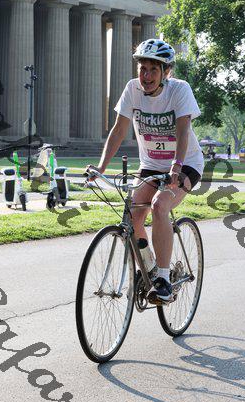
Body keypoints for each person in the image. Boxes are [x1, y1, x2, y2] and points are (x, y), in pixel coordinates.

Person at [87, 38, 204, 304]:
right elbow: (119, 129)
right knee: (133, 214)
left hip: (185, 163)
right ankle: (149, 267)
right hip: (150, 164)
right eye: (143, 69)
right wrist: (101, 167)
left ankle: (163, 280)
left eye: (153, 69)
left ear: (166, 72)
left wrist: (176, 166)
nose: (147, 76)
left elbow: (183, 130)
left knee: (160, 205)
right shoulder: (132, 89)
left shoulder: (180, 90)